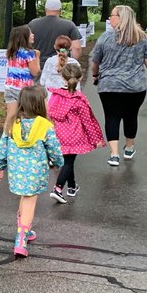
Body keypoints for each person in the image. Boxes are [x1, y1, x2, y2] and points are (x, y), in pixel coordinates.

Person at [0, 85, 64, 257]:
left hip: (17, 171)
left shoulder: (12, 124)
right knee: (30, 201)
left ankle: (25, 228)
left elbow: (3, 147)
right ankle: (21, 238)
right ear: (40, 104)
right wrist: (57, 162)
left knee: (24, 198)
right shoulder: (44, 126)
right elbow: (54, 148)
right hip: (36, 171)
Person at [90, 4, 147, 166]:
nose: (110, 18)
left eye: (112, 15)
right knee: (131, 115)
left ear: (121, 18)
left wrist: (95, 74)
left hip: (109, 86)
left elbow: (95, 61)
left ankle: (114, 154)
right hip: (135, 87)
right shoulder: (141, 37)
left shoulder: (106, 37)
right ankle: (129, 148)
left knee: (111, 117)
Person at [45, 60, 105, 202]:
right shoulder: (80, 99)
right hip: (74, 134)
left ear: (62, 78)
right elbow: (87, 121)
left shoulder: (55, 96)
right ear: (80, 79)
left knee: (67, 160)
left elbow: (50, 114)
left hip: (58, 133)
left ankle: (72, 186)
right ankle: (58, 188)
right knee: (69, 162)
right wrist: (95, 139)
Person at [3, 24, 41, 138]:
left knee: (11, 116)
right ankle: (25, 139)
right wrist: (37, 56)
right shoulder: (29, 53)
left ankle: (6, 140)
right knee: (29, 116)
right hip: (24, 90)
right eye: (30, 33)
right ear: (25, 36)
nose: (33, 35)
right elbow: (35, 72)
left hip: (10, 87)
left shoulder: (11, 52)